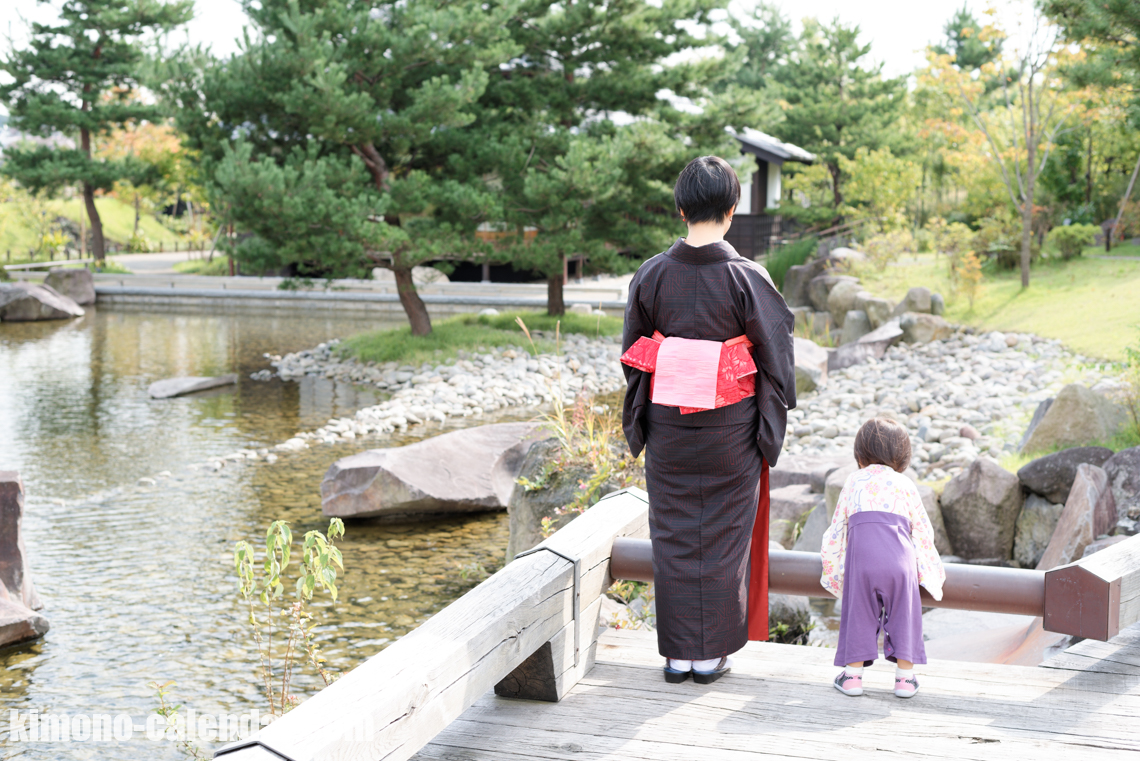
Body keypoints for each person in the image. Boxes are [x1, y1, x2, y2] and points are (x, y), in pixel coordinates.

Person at [620, 155, 796, 685]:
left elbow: (634, 353)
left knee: (672, 535)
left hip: (669, 428)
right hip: (731, 432)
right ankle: (708, 657)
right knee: (722, 536)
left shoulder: (651, 274)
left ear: (680, 209)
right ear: (733, 209)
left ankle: (675, 658)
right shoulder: (749, 277)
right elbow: (778, 362)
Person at [820, 417, 946, 699]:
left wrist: (833, 570)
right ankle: (905, 679)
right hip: (900, 562)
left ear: (860, 455)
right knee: (905, 615)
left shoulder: (853, 481)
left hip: (862, 562)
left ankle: (852, 677)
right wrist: (930, 572)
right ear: (902, 457)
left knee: (858, 614)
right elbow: (923, 532)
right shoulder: (905, 484)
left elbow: (837, 528)